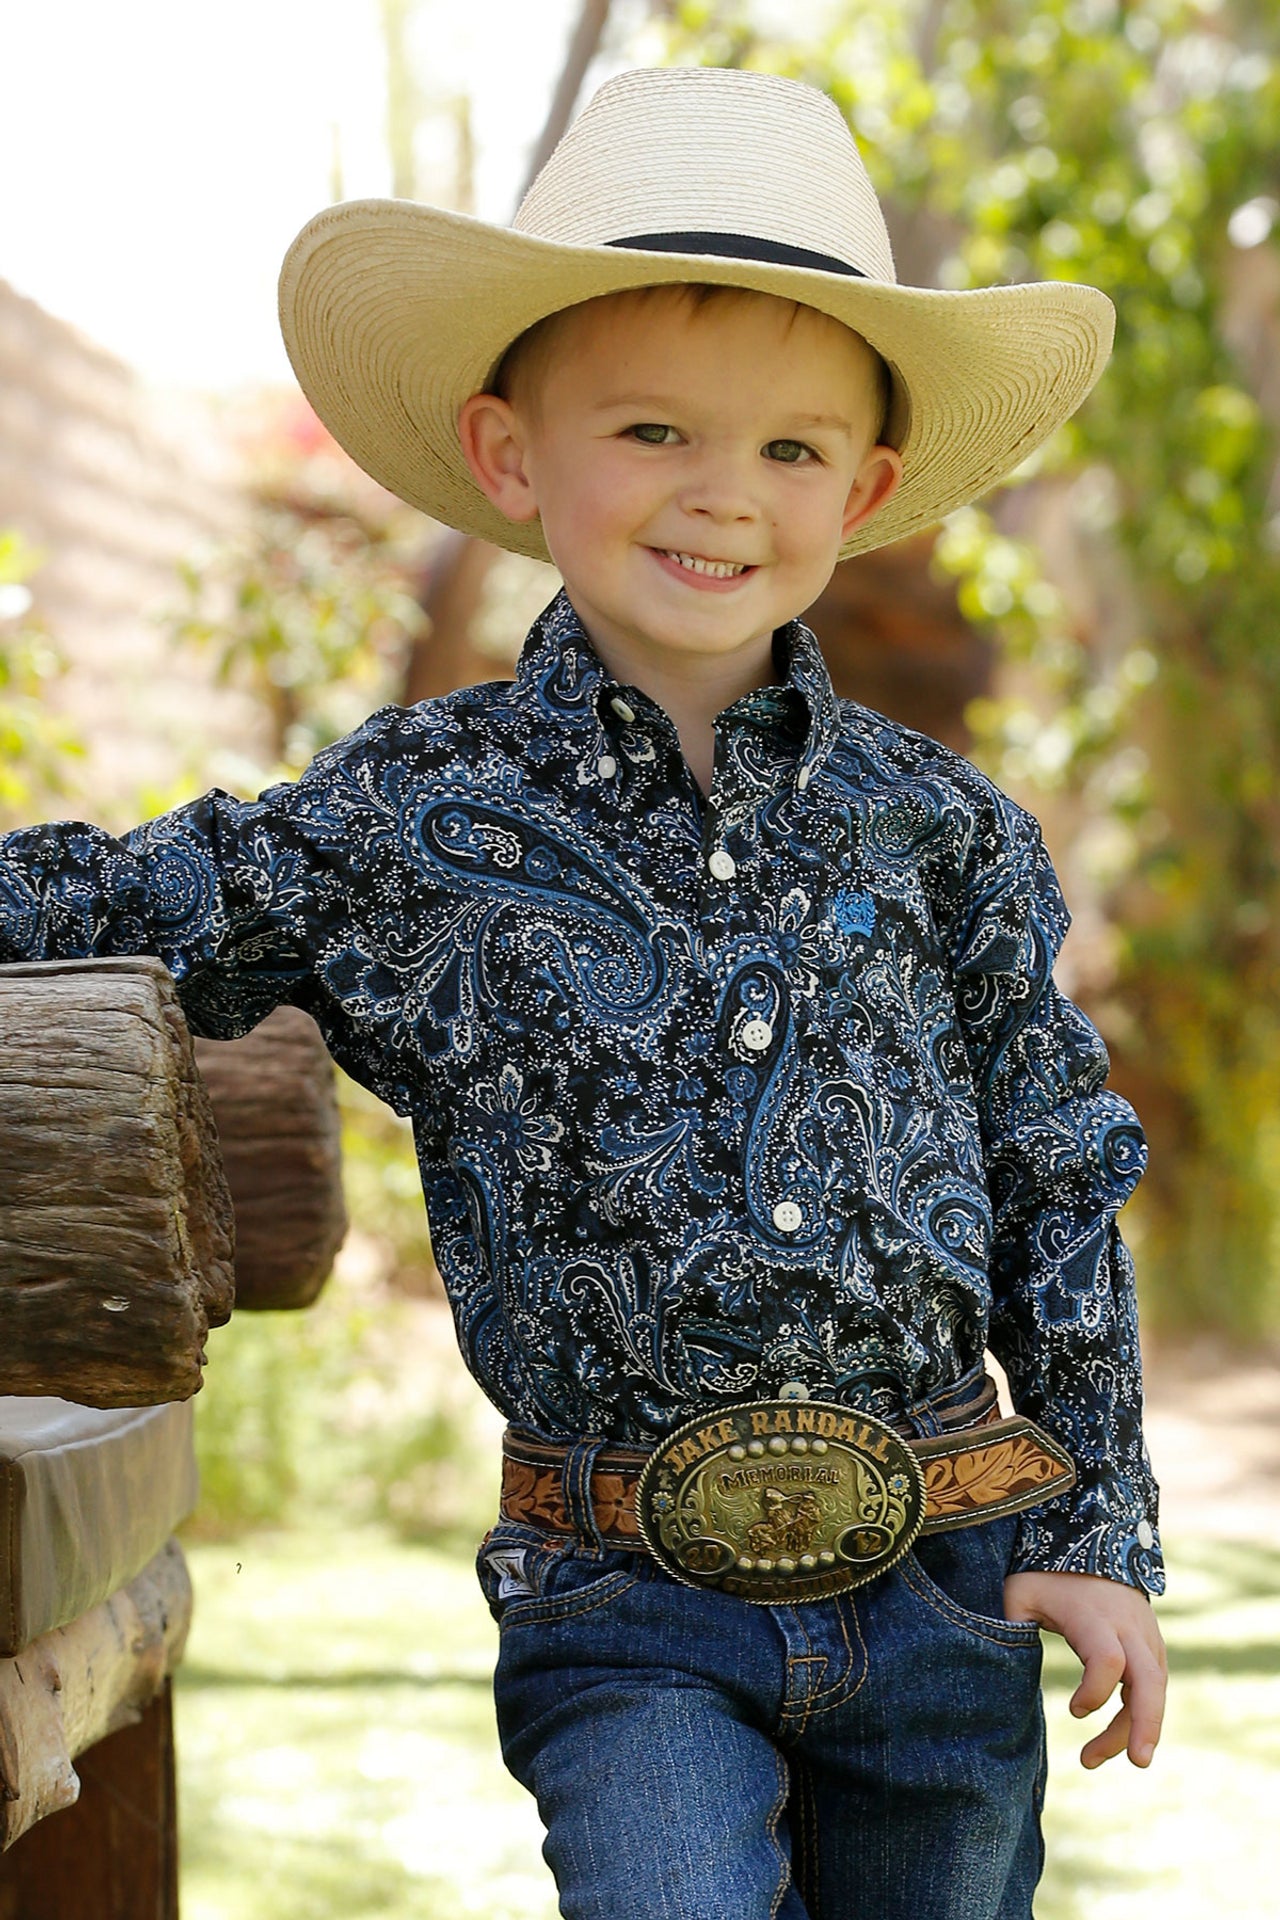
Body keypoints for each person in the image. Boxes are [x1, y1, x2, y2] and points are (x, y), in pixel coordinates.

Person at [0, 64, 1166, 1920]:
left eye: (792, 451)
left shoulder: (946, 837)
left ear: (862, 491)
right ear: (511, 454)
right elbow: (126, 891)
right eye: (652, 431)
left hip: (945, 1578)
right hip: (624, 1601)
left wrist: (1099, 1526)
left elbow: (1055, 1174)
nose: (725, 496)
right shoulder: (411, 822)